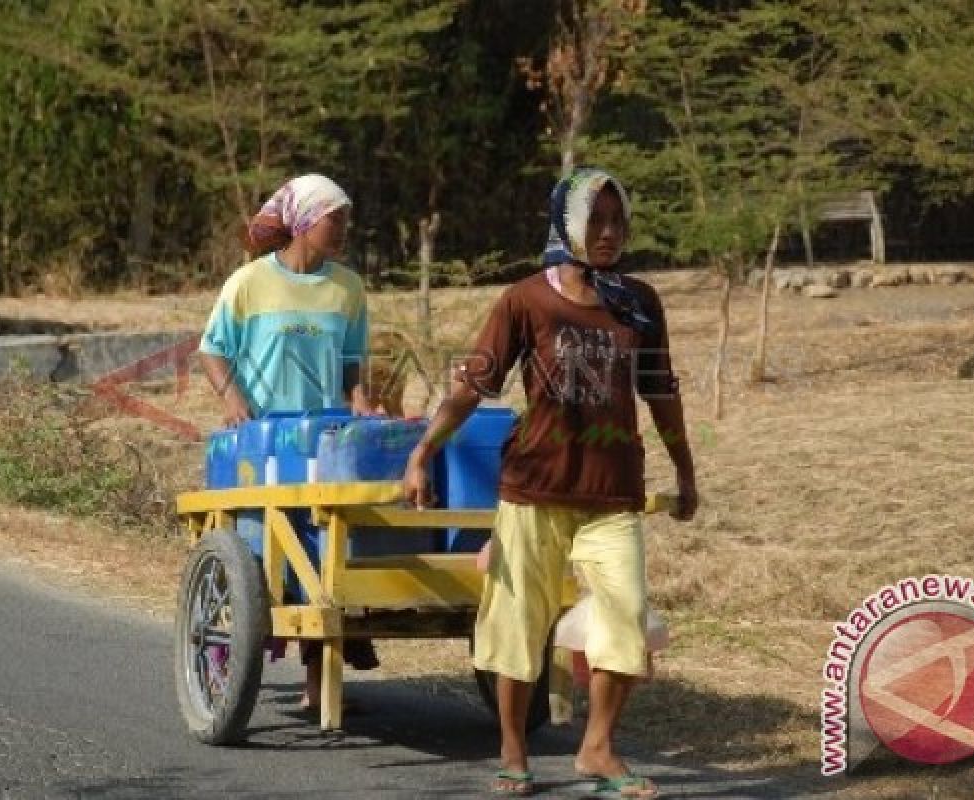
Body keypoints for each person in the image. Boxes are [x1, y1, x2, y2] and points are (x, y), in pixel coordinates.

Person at [403, 167, 698, 798]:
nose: (610, 232)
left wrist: (685, 469)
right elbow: (473, 385)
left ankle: (597, 748)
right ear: (566, 224)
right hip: (534, 490)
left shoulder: (640, 303)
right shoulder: (525, 301)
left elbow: (661, 392)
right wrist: (424, 452)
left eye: (619, 221)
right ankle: (514, 749)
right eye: (596, 220)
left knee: (625, 620)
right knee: (518, 624)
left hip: (611, 494)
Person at [198, 173, 378, 711]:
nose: (343, 229)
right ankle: (234, 664)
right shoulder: (248, 283)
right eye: (334, 218)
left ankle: (317, 682)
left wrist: (362, 400)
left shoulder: (348, 288)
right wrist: (231, 400)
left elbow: (352, 364)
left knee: (325, 556)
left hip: (325, 443)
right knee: (260, 558)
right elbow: (212, 350)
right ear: (303, 222)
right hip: (263, 445)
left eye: (345, 219)